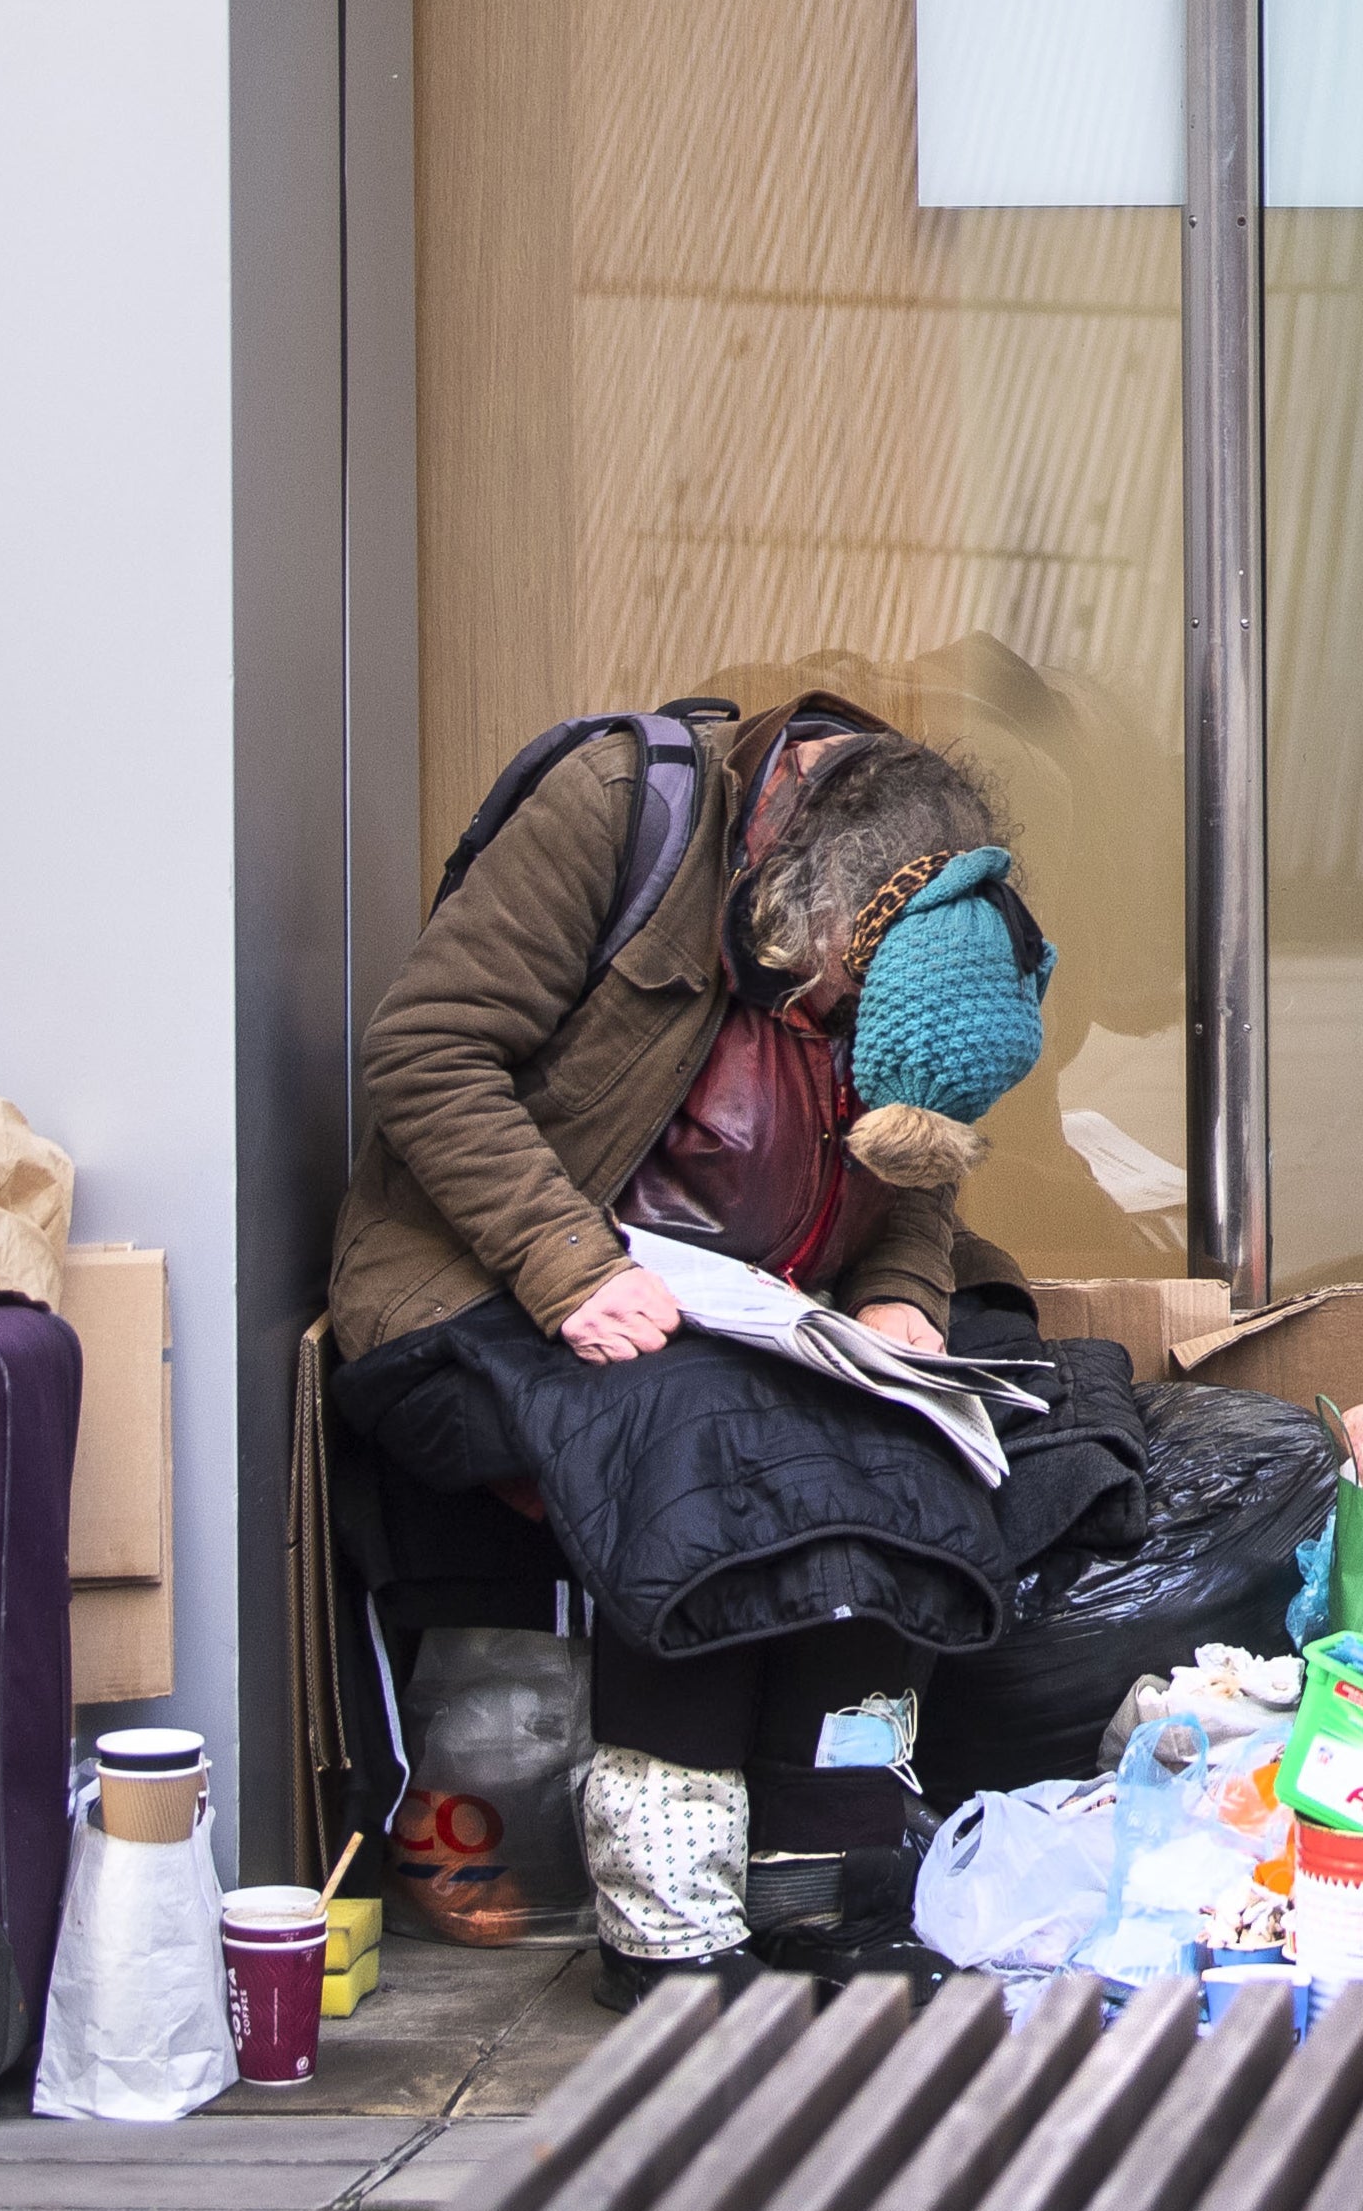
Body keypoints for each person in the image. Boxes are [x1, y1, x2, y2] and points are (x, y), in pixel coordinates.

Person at [327, 692, 1058, 2004]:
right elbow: (424, 1056)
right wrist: (570, 1268)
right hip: (492, 1286)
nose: (827, 1039)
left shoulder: (930, 915)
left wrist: (898, 1291)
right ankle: (666, 1923)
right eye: (827, 1008)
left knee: (953, 1428)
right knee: (706, 1447)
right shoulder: (624, 812)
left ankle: (820, 1879)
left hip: (754, 1301)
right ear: (807, 911)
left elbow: (917, 1143)